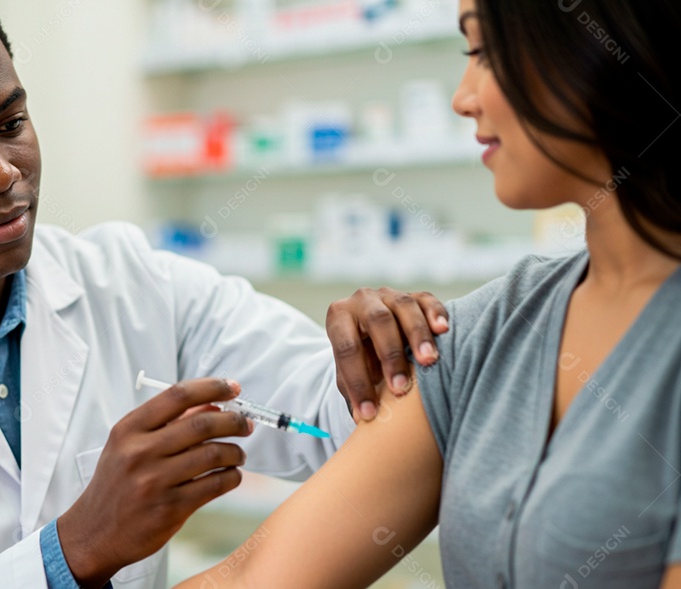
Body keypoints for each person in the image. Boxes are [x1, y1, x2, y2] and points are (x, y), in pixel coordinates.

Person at [0, 1, 448, 588]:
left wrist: (378, 354)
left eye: (11, 123)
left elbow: (331, 410)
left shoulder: (131, 282)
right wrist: (80, 544)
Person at [177, 0, 681, 587]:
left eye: (484, 52)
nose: (463, 98)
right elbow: (250, 578)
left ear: (598, 43)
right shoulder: (488, 331)